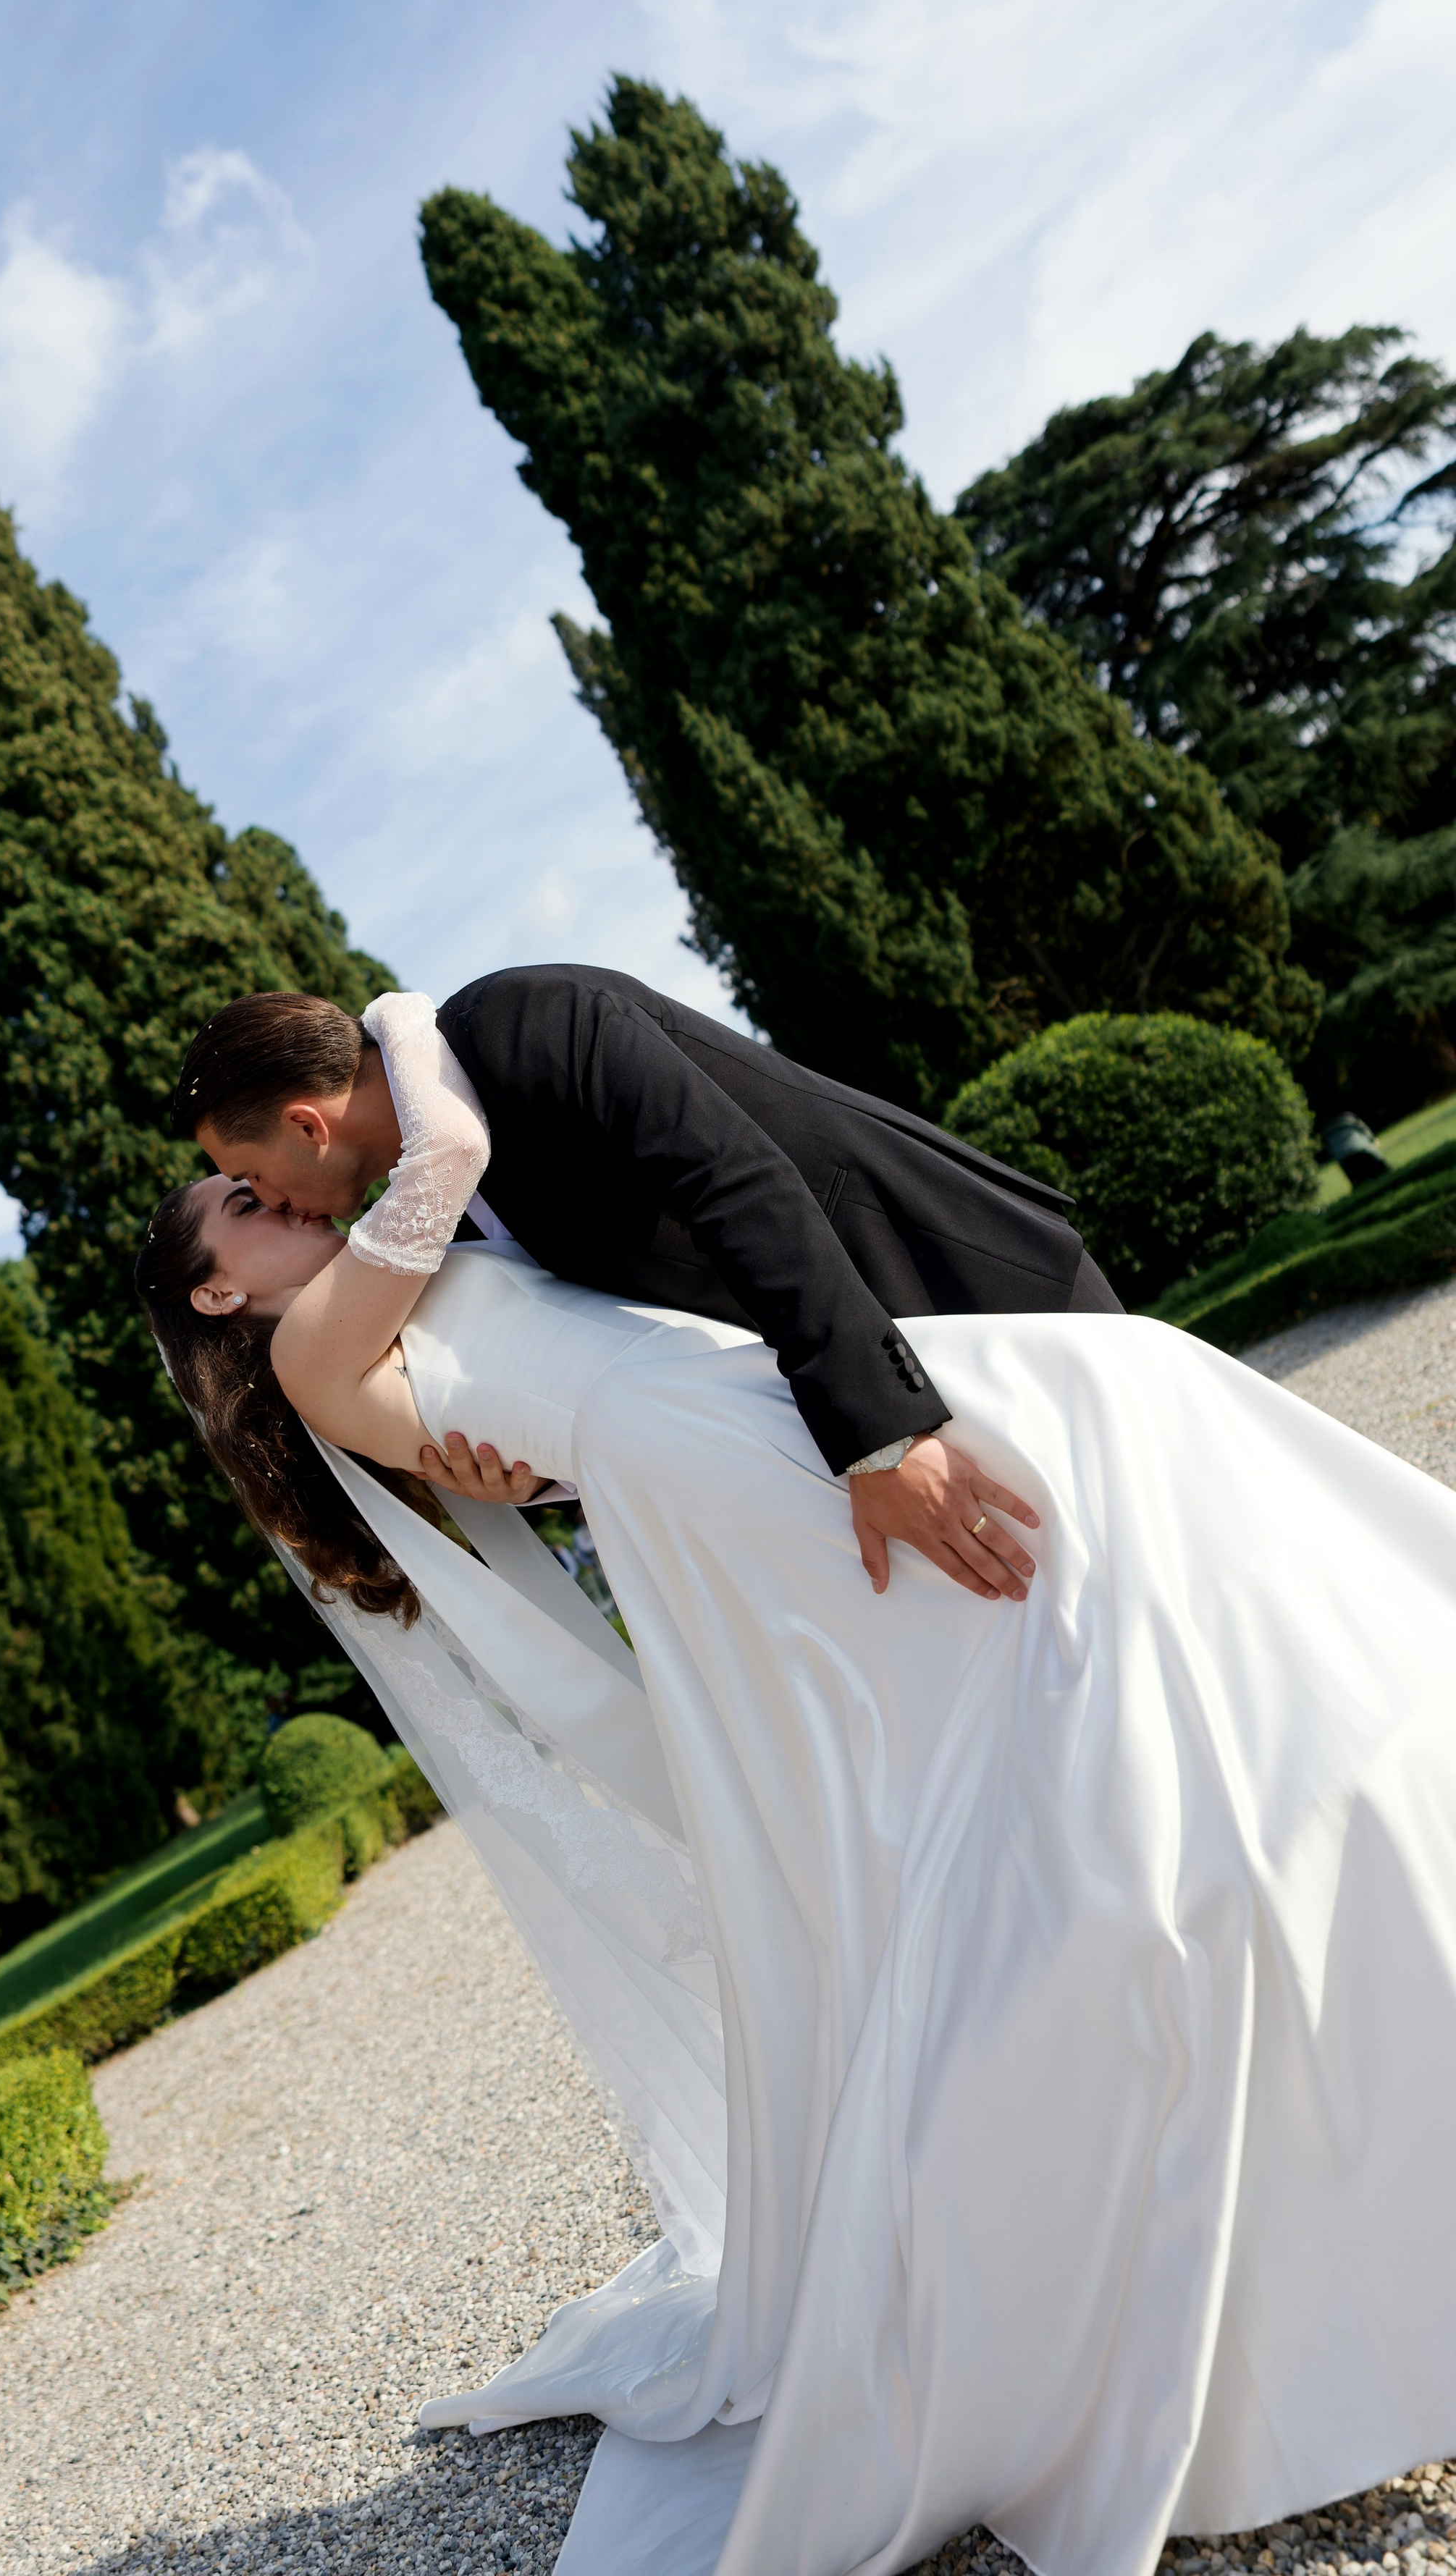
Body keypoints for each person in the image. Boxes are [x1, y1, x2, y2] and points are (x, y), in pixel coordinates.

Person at [135, 993, 1456, 2576]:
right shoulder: (311, 1328)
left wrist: (514, 1442)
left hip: (736, 1413)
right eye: (239, 1208)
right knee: (1038, 1673)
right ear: (217, 1288)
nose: (274, 1202)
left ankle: (1281, 2020)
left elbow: (545, 1333)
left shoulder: (394, 1262)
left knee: (1096, 1613)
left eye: (253, 1175)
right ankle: (1134, 2115)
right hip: (723, 1479)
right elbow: (458, 1156)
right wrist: (403, 1022)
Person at [172, 965, 1124, 1603]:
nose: (279, 1203)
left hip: (955, 1295)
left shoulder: (522, 1026)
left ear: (307, 1125)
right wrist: (530, 1474)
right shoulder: (442, 1220)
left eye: (253, 1182)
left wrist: (880, 1443)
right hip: (858, 1438)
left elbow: (737, 1188)